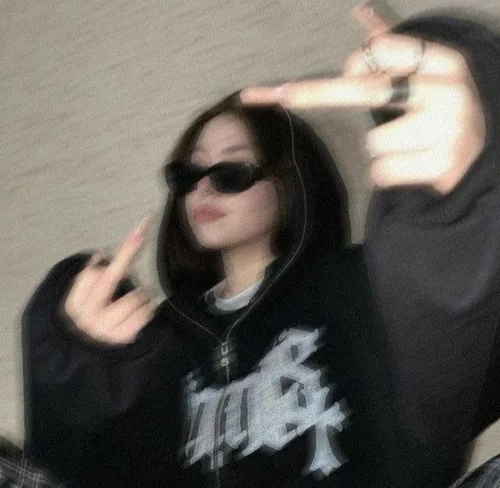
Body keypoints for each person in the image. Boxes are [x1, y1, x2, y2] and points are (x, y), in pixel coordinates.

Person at [20, 5, 500, 488]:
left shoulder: (354, 288)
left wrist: (462, 198)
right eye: (188, 173)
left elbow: (461, 361)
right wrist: (79, 369)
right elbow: (91, 473)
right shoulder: (162, 340)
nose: (202, 189)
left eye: (231, 172)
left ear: (287, 185)